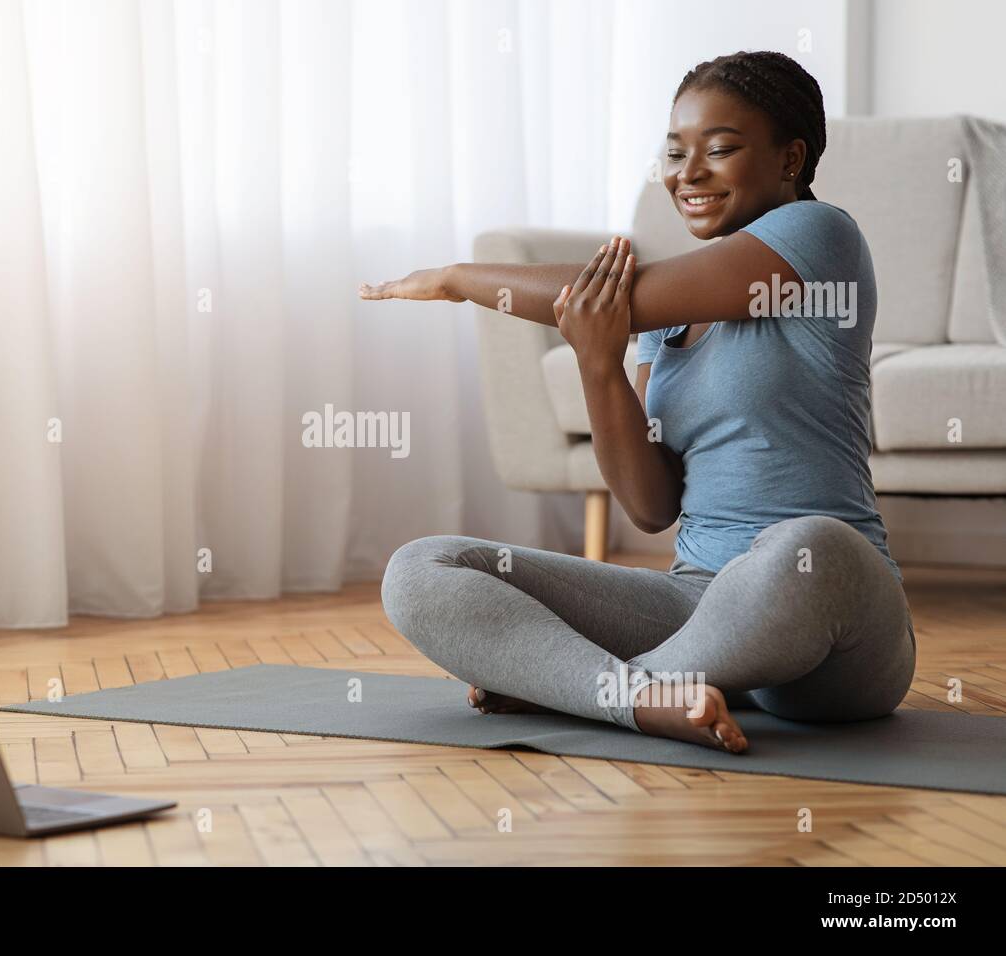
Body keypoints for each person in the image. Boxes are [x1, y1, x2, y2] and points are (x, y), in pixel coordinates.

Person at [361, 51, 915, 753]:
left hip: (834, 624)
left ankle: (592, 691)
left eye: (719, 150)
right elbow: (652, 506)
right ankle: (648, 697)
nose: (688, 173)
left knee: (808, 545)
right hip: (698, 607)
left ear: (789, 159)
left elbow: (626, 295)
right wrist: (599, 364)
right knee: (422, 567)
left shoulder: (819, 235)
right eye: (675, 153)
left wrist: (456, 277)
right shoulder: (665, 326)